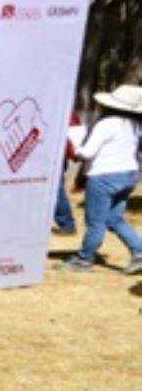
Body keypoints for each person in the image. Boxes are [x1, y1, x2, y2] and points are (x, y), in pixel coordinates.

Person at [57, 83, 142, 274]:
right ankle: (139, 252)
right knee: (115, 218)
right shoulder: (136, 125)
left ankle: (84, 259)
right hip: (128, 175)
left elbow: (87, 153)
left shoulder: (107, 124)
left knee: (95, 221)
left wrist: (72, 147)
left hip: (103, 176)